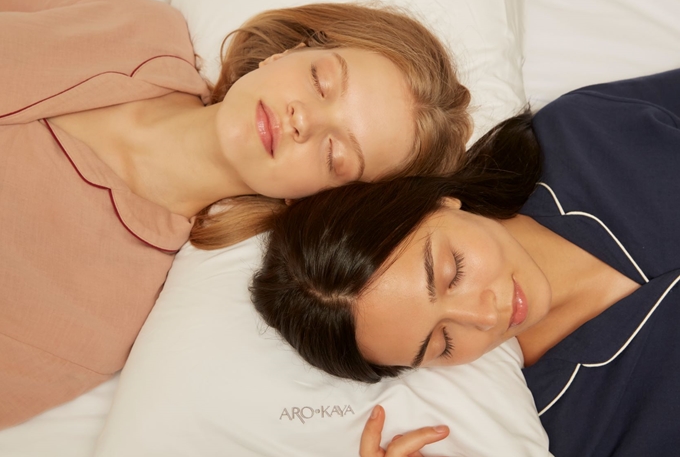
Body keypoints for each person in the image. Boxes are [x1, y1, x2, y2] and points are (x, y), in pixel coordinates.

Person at [0, 0, 472, 436]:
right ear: (287, 53)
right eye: (320, 81)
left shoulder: (96, 314)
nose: (303, 119)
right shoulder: (135, 26)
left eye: (335, 153)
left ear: (320, 201)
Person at [251, 69, 680, 457]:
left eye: (453, 271)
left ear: (439, 200)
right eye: (442, 343)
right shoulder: (565, 430)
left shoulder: (583, 135)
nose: (485, 316)